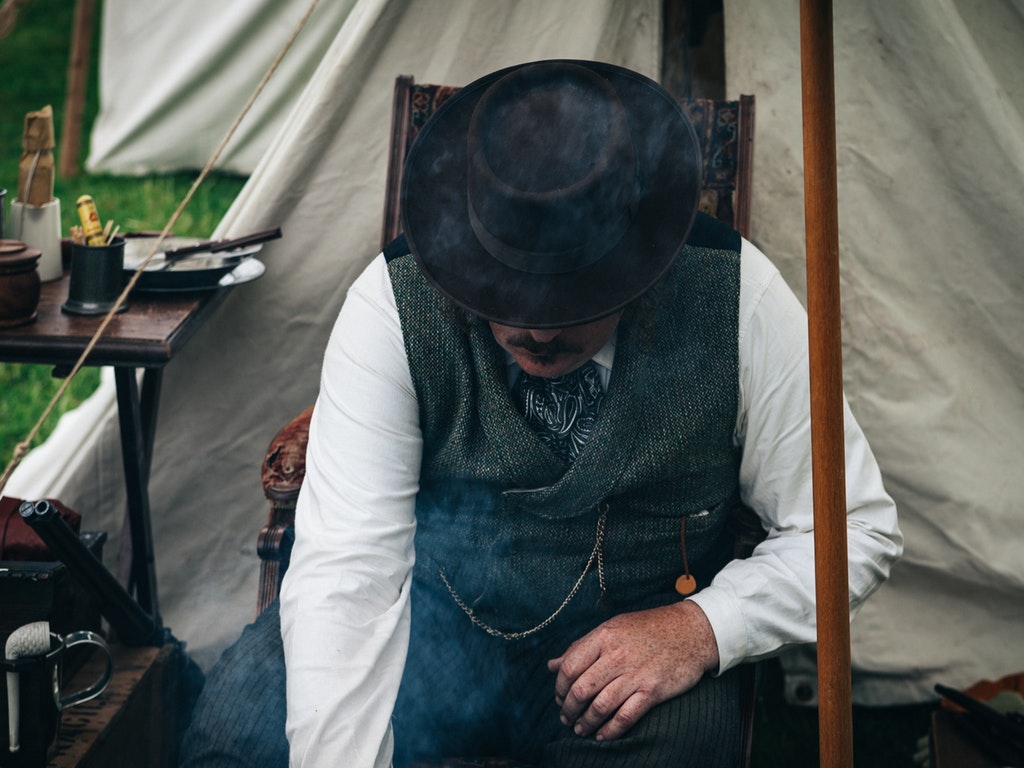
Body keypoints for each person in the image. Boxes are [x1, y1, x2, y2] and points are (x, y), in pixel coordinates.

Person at [186, 59, 902, 768]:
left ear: (639, 258)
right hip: (426, 629)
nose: (536, 331)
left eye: (571, 299)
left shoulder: (738, 297)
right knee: (237, 739)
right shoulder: (391, 304)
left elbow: (853, 529)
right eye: (503, 295)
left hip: (623, 659)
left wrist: (702, 627)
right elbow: (351, 570)